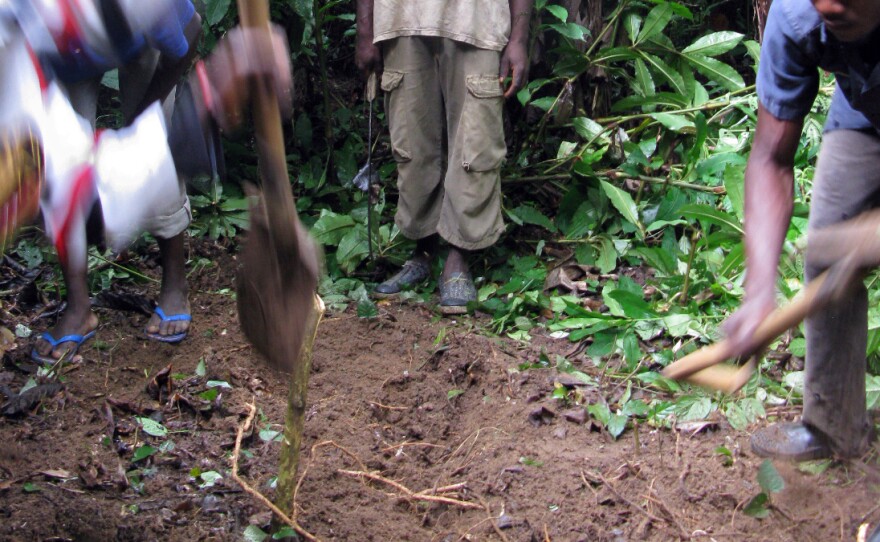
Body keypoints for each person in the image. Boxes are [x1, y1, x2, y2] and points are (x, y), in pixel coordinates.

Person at [723, 0, 880, 460]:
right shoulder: (797, 16)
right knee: (827, 247)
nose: (830, 3)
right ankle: (833, 427)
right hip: (865, 113)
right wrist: (758, 295)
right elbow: (771, 159)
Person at [15, 0, 201, 361]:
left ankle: (174, 282)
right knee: (59, 170)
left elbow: (189, 31)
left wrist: (141, 123)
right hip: (62, 56)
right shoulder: (25, 14)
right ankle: (78, 307)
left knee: (156, 148)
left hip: (138, 39)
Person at [355, 0, 532, 314]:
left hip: (476, 19)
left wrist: (518, 39)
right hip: (402, 17)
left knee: (474, 141)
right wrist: (366, 29)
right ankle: (423, 249)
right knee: (413, 139)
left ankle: (458, 255)